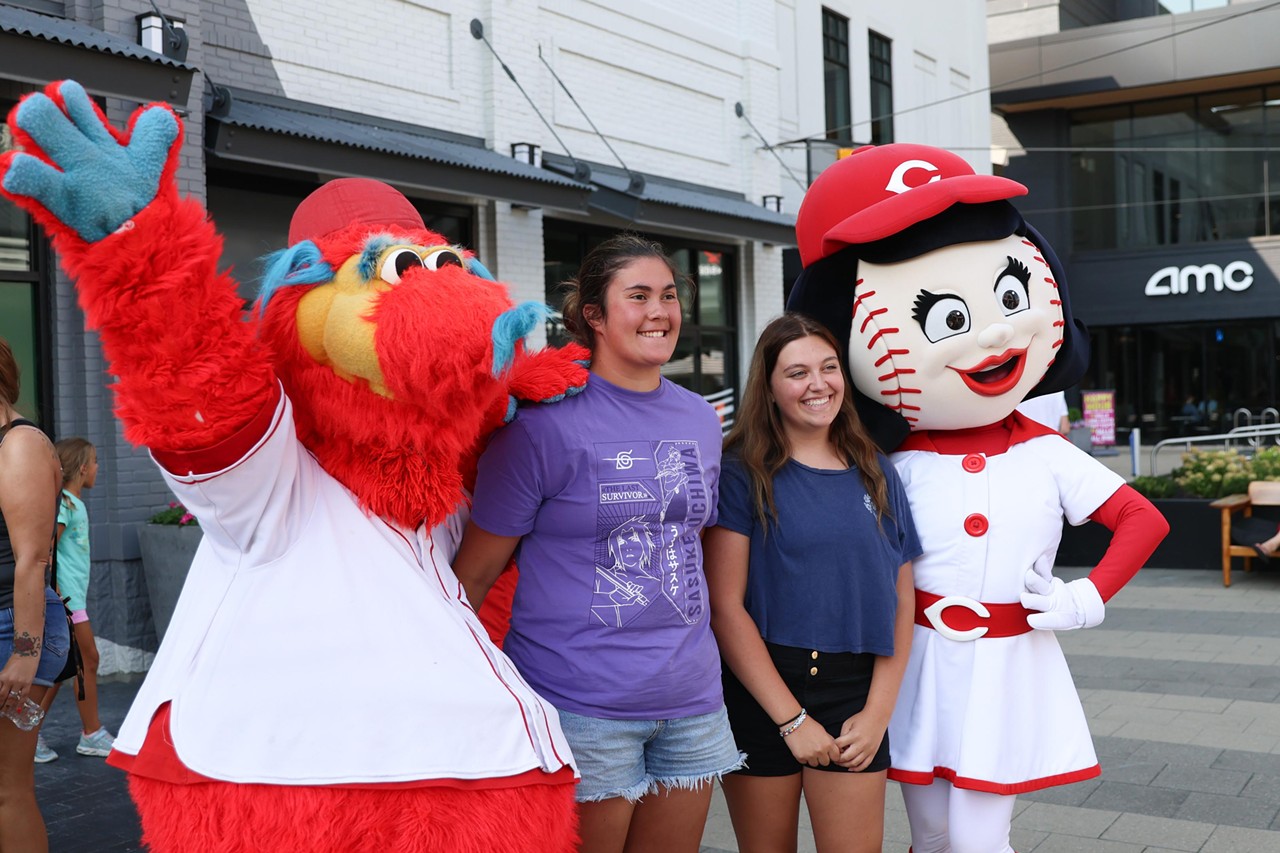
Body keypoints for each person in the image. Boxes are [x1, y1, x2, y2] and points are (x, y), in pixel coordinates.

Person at [787, 143, 1169, 852]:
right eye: (949, 318)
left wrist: (1087, 596)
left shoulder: (1043, 449)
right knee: (930, 835)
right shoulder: (878, 462)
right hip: (916, 664)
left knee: (978, 840)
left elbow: (1141, 518)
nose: (995, 331)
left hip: (1007, 662)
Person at [453, 233, 743, 853]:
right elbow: (472, 577)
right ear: (593, 315)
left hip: (691, 699)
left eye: (668, 295)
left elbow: (695, 545)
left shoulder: (699, 418)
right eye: (637, 296)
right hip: (580, 705)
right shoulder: (540, 425)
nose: (659, 312)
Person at [704, 313, 918, 853]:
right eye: (797, 373)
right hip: (763, 690)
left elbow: (902, 599)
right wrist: (791, 719)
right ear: (770, 388)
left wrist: (877, 714)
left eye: (828, 368)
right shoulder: (741, 472)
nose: (818, 384)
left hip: (855, 691)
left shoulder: (875, 468)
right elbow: (726, 607)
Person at [0, 336, 69, 853]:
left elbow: (33, 558)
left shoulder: (19, 444)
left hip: (13, 629)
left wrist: (25, 656)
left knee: (7, 791)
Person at [33, 439, 114, 764]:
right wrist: (52, 599)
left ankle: (30, 730)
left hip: (72, 599)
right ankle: (91, 733)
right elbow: (49, 546)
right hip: (66, 601)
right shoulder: (65, 503)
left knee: (65, 667)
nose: (97, 468)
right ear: (82, 468)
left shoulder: (73, 502)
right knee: (86, 660)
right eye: (94, 462)